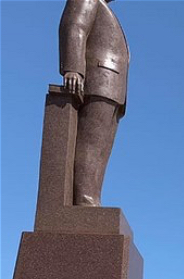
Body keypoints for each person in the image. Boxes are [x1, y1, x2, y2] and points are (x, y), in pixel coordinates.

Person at [59, 0, 129, 206]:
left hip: (112, 87)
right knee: (90, 146)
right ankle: (85, 201)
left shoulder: (104, 8)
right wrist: (74, 69)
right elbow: (75, 26)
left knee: (100, 151)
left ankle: (91, 199)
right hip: (98, 81)